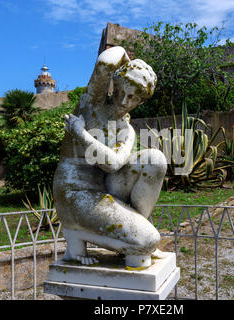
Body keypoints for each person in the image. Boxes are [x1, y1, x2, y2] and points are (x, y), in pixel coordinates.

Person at [53, 46, 167, 267]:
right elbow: (105, 63)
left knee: (156, 159)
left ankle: (136, 230)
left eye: (132, 97)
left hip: (103, 189)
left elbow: (113, 164)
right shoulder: (93, 103)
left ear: (140, 102)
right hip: (74, 192)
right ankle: (77, 233)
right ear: (114, 86)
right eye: (121, 91)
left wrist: (80, 134)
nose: (123, 101)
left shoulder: (127, 131)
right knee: (149, 241)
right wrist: (127, 58)